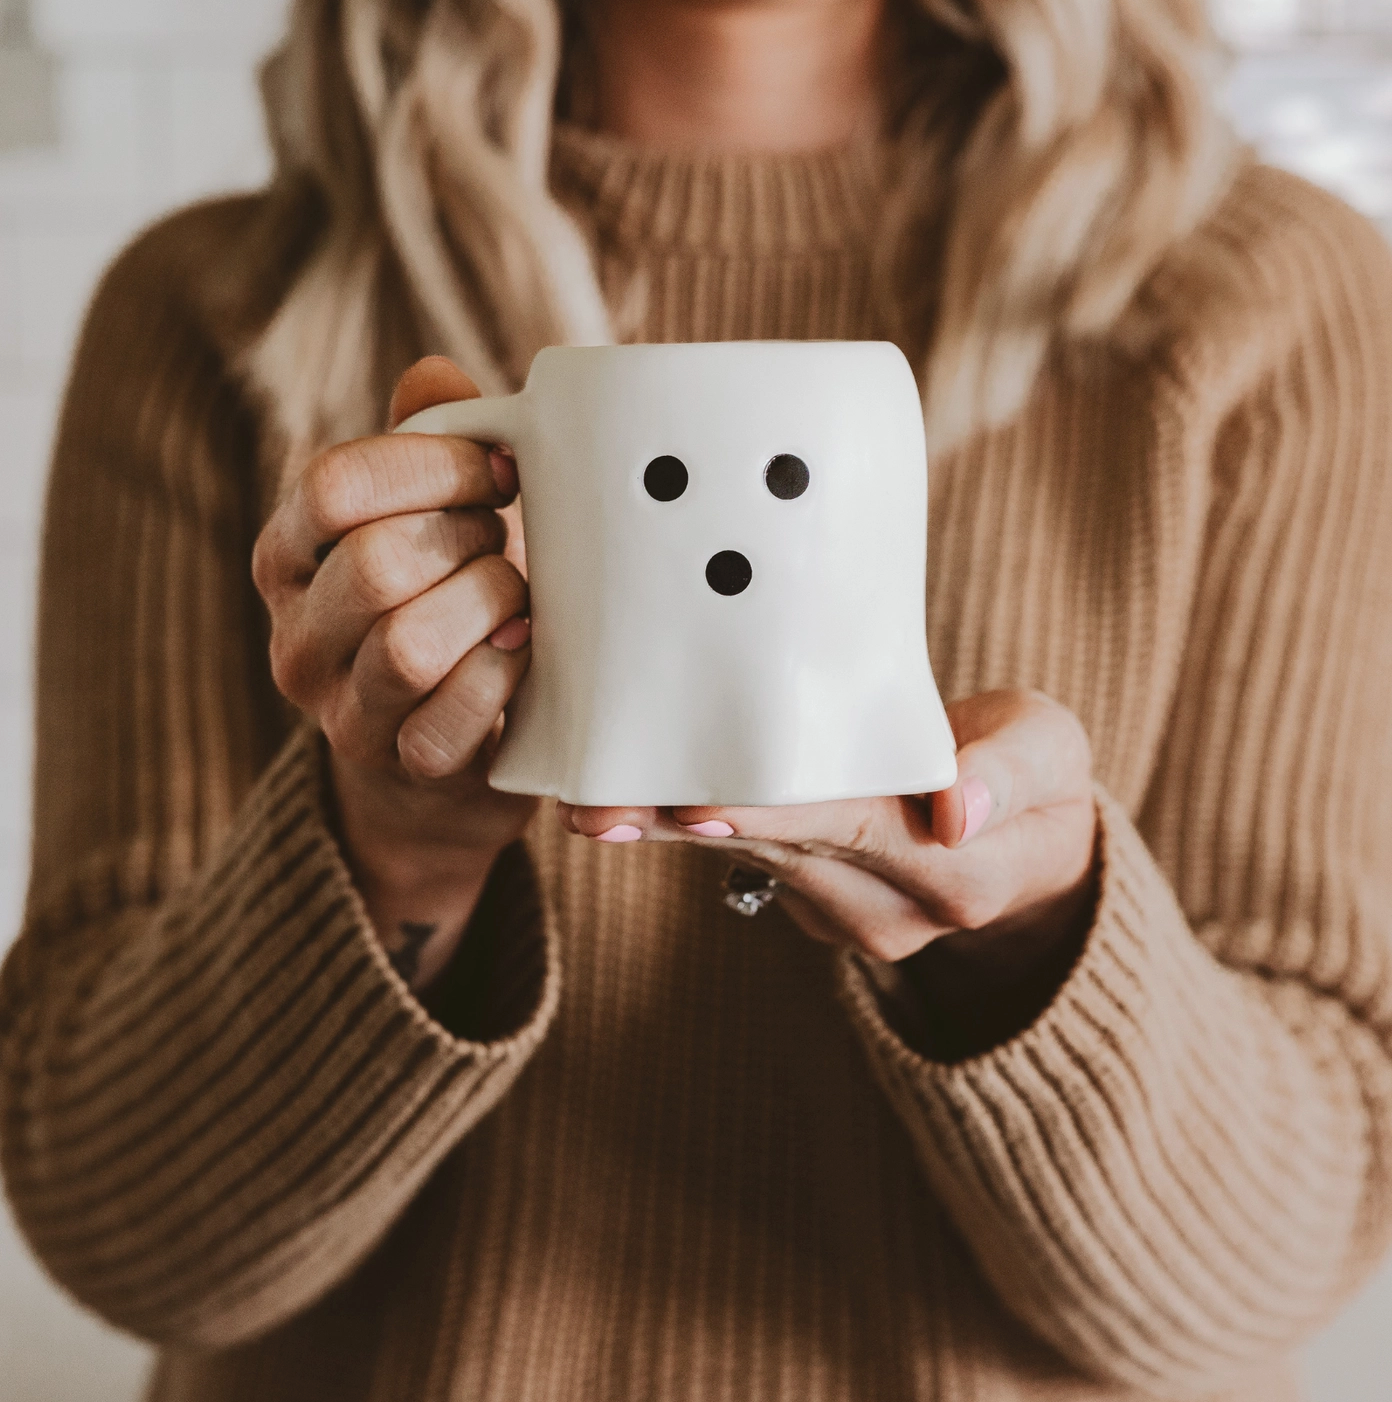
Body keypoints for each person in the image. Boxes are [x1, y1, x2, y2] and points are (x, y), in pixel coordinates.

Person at [2, 0, 1390, 1397]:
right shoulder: (213, 310)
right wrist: (394, 847)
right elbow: (128, 1237)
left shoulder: (1275, 301)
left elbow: (1275, 1263)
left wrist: (1030, 942)